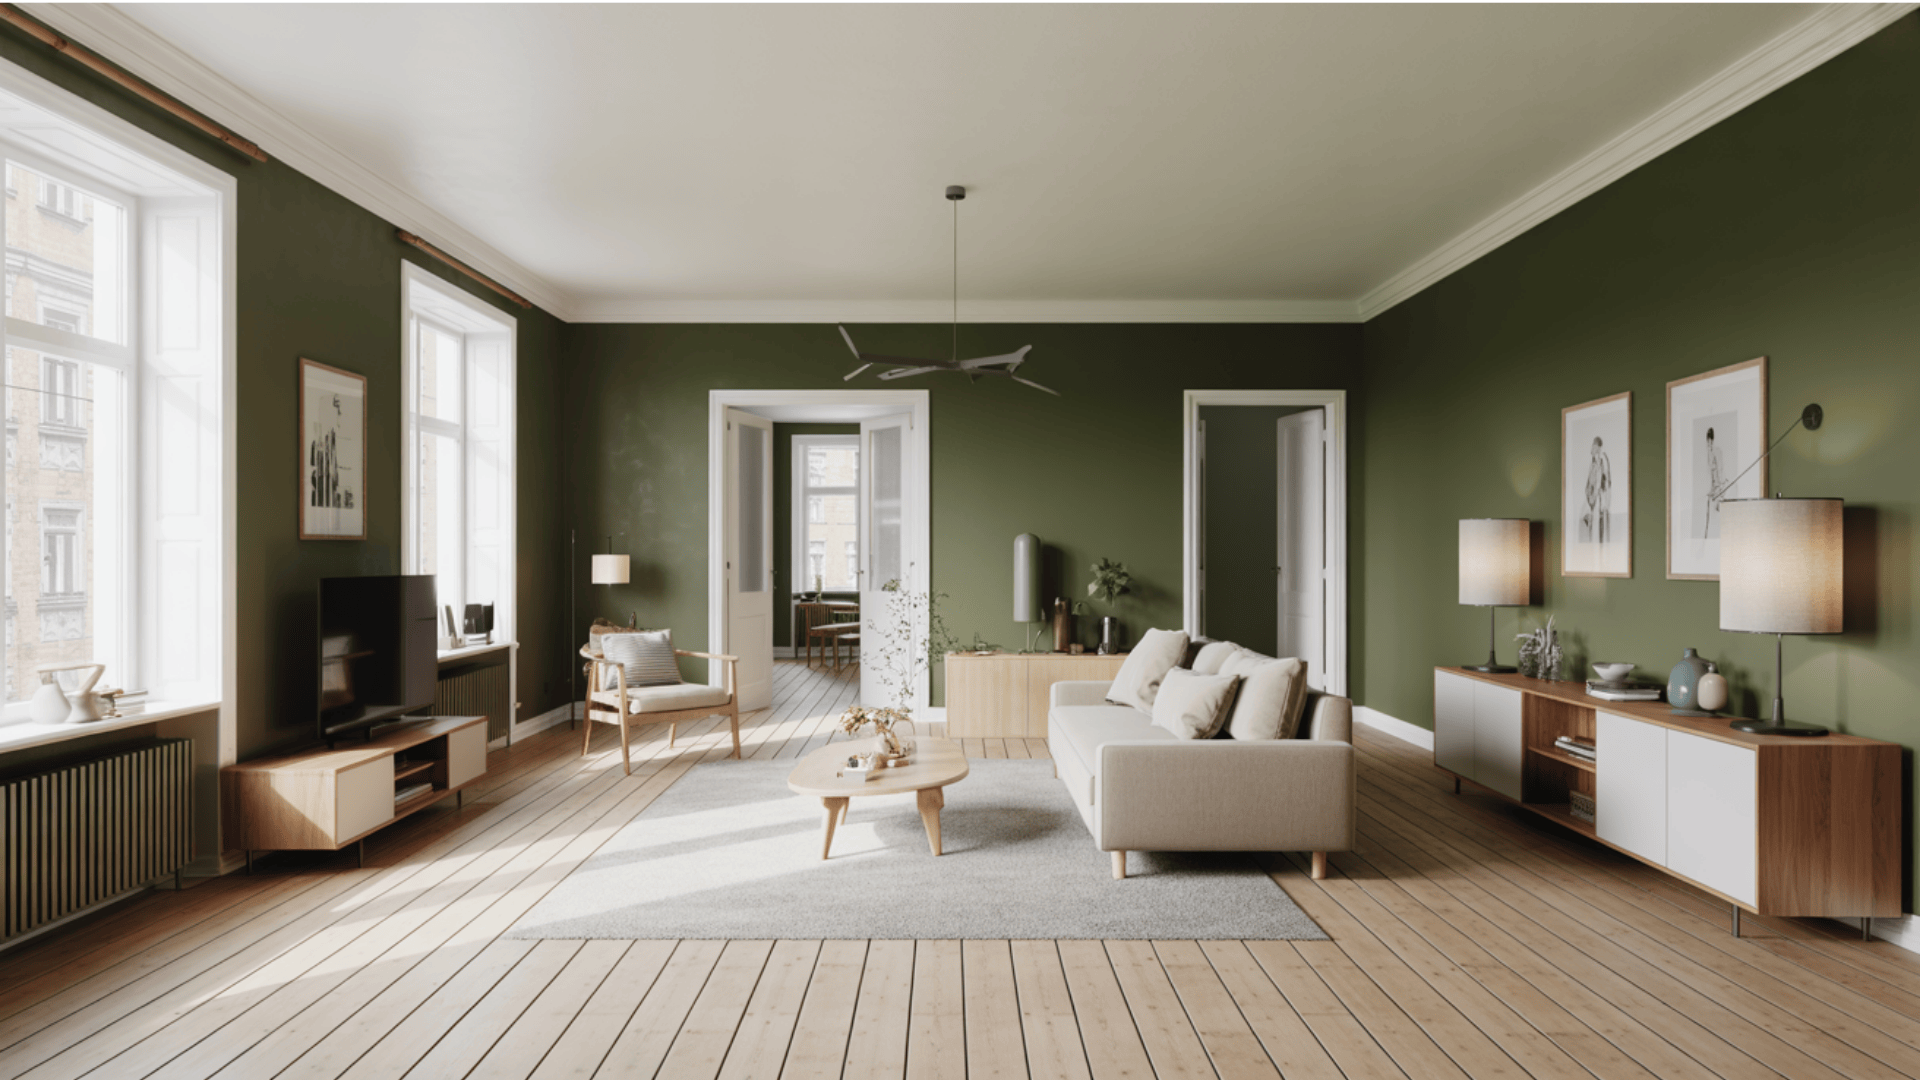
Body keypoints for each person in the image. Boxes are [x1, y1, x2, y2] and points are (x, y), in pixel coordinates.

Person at [1582, 436, 1611, 543]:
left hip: (1599, 498)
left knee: (1598, 525)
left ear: (1597, 447)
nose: (1592, 449)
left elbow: (1603, 481)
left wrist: (1597, 494)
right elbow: (1590, 481)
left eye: (1594, 446)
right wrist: (1589, 492)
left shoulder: (1602, 460)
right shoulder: (1593, 463)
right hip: (1593, 498)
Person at [1702, 427, 1725, 539]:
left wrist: (1720, 492)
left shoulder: (1717, 451)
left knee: (1717, 517)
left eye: (1710, 440)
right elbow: (1711, 473)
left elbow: (1719, 470)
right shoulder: (1708, 453)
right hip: (1713, 489)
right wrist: (1711, 490)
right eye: (1707, 441)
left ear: (1712, 440)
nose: (1709, 443)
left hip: (1719, 489)